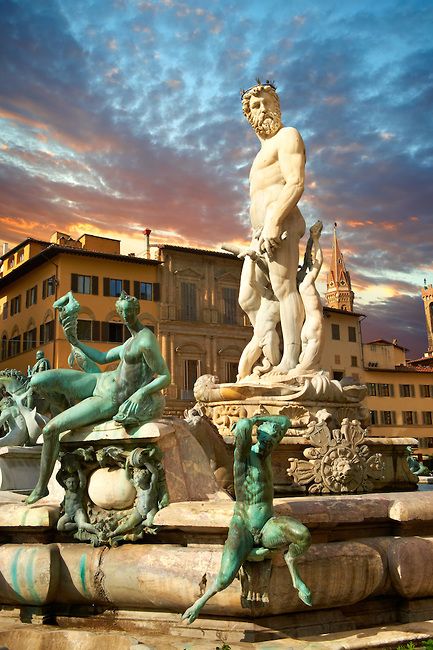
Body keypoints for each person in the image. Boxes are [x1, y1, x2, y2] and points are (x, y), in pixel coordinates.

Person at [25, 290, 170, 505]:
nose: (125, 317)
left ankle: (41, 488)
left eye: (129, 313)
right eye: (122, 313)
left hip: (110, 399)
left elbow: (165, 376)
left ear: (136, 312)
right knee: (37, 381)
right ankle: (68, 411)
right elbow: (102, 357)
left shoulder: (146, 340)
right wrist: (75, 341)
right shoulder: (131, 341)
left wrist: (141, 393)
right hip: (98, 381)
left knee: (50, 430)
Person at [182, 415, 311, 624]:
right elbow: (242, 427)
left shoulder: (267, 452)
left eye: (272, 443)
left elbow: (286, 421)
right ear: (258, 437)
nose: (268, 446)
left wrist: (261, 418)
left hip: (268, 524)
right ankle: (199, 604)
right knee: (225, 578)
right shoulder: (243, 458)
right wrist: (250, 422)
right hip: (243, 525)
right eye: (265, 441)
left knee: (303, 535)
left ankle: (291, 561)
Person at [239, 81, 306, 374]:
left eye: (267, 103)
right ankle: (271, 354)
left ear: (277, 107)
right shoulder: (259, 155)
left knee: (285, 288)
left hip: (279, 223)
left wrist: (275, 219)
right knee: (248, 297)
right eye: (256, 105)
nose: (262, 109)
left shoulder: (288, 136)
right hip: (258, 232)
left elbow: (295, 182)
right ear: (248, 115)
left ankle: (290, 360)